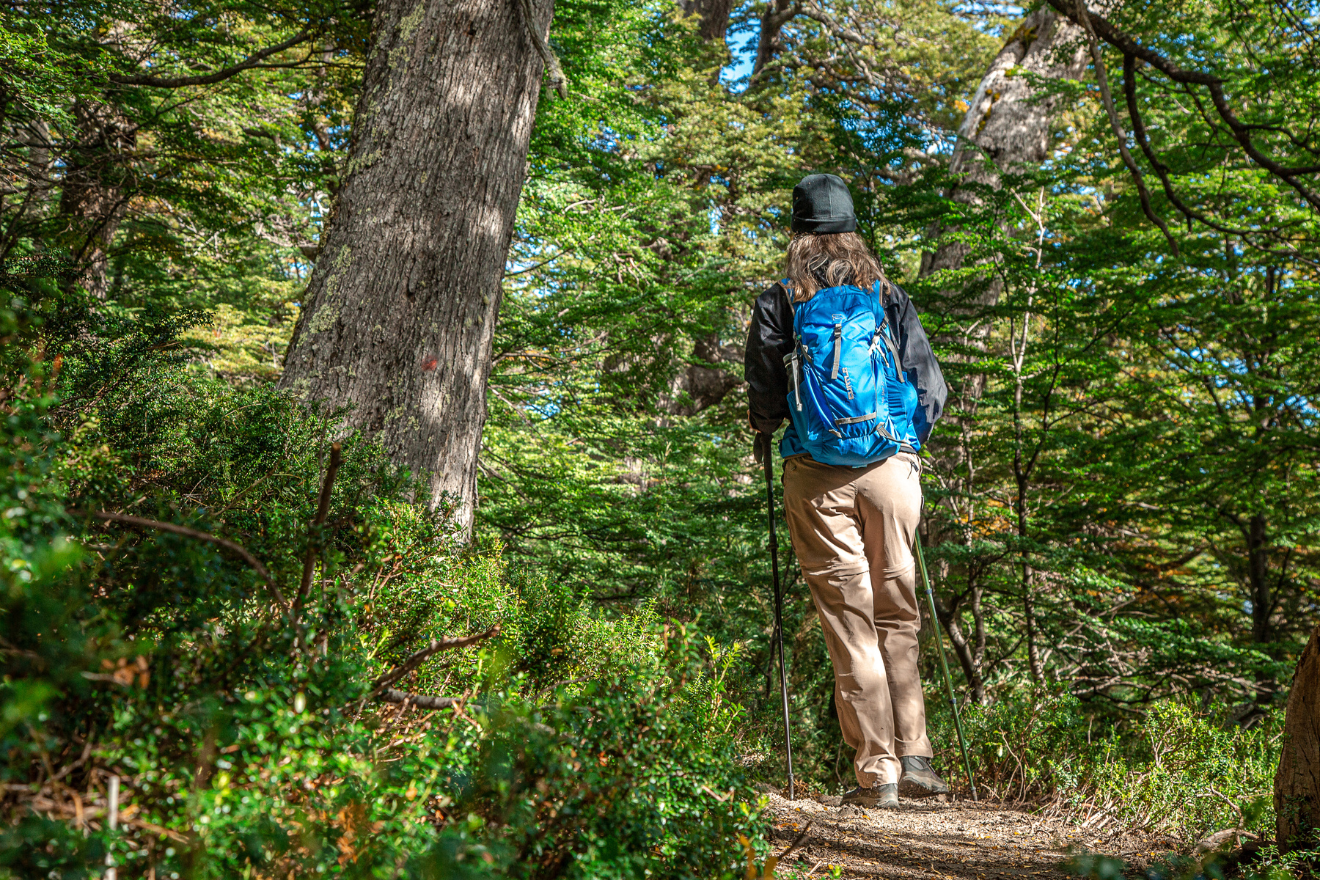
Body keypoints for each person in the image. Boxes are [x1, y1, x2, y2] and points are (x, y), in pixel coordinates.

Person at [745, 173, 950, 809]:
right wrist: (903, 442)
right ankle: (916, 755)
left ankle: (879, 773)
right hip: (892, 470)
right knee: (898, 611)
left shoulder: (780, 298)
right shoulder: (887, 297)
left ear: (798, 233)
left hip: (815, 475)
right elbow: (931, 389)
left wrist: (770, 431)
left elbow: (766, 398)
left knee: (850, 621)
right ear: (854, 231)